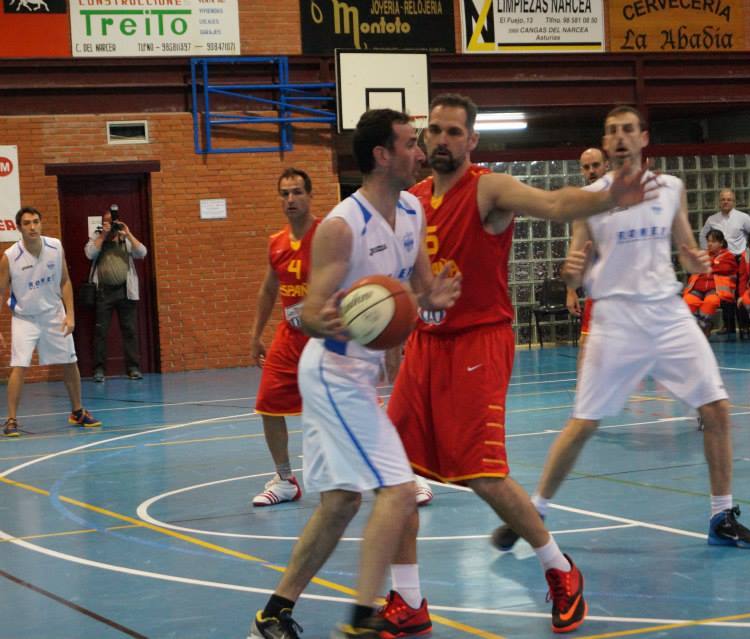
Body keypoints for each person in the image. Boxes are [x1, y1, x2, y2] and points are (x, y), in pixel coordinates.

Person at [382, 93, 659, 637]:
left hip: (478, 342)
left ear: (472, 140)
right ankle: (408, 598)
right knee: (391, 475)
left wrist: (607, 199)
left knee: (484, 475)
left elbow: (554, 203)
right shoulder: (411, 200)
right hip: (424, 346)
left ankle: (561, 570)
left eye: (453, 132)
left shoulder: (488, 188)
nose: (441, 140)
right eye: (434, 130)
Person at [492, 105, 750, 557]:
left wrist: (696, 261)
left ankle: (722, 516)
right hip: (616, 319)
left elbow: (684, 248)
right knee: (584, 422)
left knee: (716, 408)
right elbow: (573, 272)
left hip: (665, 312)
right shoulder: (591, 199)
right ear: (606, 144)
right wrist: (570, 273)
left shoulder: (671, 189)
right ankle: (534, 511)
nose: (619, 137)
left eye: (627, 130)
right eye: (611, 132)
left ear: (643, 138)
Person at [247, 109, 461, 639]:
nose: (421, 152)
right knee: (398, 488)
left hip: (362, 375)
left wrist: (433, 299)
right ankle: (363, 617)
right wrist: (335, 315)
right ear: (382, 156)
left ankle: (273, 614)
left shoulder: (413, 209)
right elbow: (313, 312)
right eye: (412, 143)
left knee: (341, 502)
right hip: (334, 372)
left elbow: (419, 289)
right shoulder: (342, 227)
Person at [248, 168, 319, 507]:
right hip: (289, 339)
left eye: (297, 192)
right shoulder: (276, 242)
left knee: (362, 410)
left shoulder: (328, 236)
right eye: (285, 193)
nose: (290, 199)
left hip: (326, 340)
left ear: (310, 195)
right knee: (268, 405)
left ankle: (402, 476)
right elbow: (268, 288)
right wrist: (255, 334)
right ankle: (286, 478)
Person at [1, 207, 101, 437]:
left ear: (41, 223)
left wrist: (70, 315)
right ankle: (11, 420)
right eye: (26, 223)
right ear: (19, 228)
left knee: (69, 361)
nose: (32, 227)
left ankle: (77, 411)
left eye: (36, 221)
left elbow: (65, 281)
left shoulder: (55, 247)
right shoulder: (9, 257)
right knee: (19, 365)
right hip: (24, 318)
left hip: (53, 314)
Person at [84, 204, 148, 382]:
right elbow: (89, 253)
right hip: (103, 292)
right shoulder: (97, 237)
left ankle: (133, 367)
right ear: (101, 223)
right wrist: (103, 236)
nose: (109, 224)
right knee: (101, 332)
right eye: (106, 222)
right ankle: (99, 370)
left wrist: (128, 234)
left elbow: (142, 252)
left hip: (124, 292)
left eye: (112, 222)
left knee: (129, 330)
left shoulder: (124, 239)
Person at [566, 147, 609, 358]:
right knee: (588, 345)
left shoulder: (623, 196)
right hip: (599, 287)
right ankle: (587, 391)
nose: (591, 171)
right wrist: (571, 289)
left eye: (595, 165)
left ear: (606, 166)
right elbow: (577, 250)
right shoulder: (581, 205)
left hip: (630, 288)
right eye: (586, 167)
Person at [700, 189, 750, 340]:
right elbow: (702, 235)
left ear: (734, 201)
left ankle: (744, 327)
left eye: (729, 199)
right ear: (719, 202)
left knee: (740, 294)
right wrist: (707, 254)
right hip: (721, 260)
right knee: (725, 294)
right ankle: (729, 326)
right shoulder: (712, 219)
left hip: (738, 259)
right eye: (723, 199)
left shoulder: (743, 218)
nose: (726, 202)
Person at [684, 229, 738, 337]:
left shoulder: (729, 256)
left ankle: (702, 327)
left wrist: (709, 265)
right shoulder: (703, 254)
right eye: (708, 241)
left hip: (715, 290)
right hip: (697, 288)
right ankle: (705, 325)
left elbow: (725, 268)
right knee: (687, 301)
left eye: (713, 241)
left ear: (721, 243)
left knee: (711, 302)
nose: (709, 244)